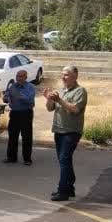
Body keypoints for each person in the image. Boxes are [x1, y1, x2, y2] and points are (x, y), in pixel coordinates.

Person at [44, 66, 88, 201]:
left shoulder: (80, 91)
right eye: (62, 74)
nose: (63, 77)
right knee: (64, 160)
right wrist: (49, 99)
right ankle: (69, 188)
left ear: (75, 76)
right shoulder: (61, 91)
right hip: (58, 130)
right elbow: (50, 108)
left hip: (71, 131)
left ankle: (63, 191)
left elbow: (74, 109)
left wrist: (59, 100)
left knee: (64, 159)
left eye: (67, 75)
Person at [3, 69, 37, 165]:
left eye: (21, 76)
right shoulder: (13, 86)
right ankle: (11, 157)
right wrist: (6, 98)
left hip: (26, 113)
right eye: (17, 76)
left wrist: (19, 95)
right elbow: (7, 98)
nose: (18, 78)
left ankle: (27, 159)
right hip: (14, 113)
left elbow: (30, 100)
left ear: (26, 77)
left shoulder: (31, 87)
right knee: (12, 136)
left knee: (26, 136)